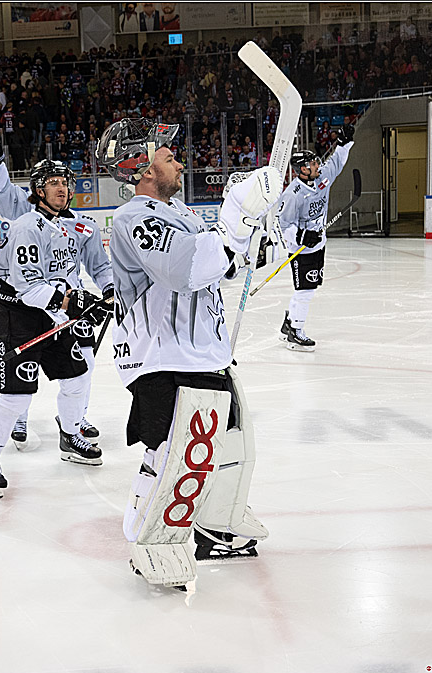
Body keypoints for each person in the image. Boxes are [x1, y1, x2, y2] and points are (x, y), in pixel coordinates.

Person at [96, 118, 280, 588]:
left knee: (233, 443)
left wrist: (249, 232)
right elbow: (184, 268)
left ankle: (217, 518)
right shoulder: (133, 218)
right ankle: (149, 538)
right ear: (139, 165)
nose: (176, 156)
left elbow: (225, 267)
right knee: (176, 452)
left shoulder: (187, 215)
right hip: (164, 359)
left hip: (205, 353)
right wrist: (235, 218)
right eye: (165, 151)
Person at [0, 156, 108, 498]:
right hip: (22, 317)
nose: (62, 188)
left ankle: (70, 434)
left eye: (65, 183)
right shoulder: (27, 227)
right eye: (53, 182)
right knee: (16, 398)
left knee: (78, 377)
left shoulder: (76, 226)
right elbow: (30, 287)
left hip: (59, 314)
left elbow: (94, 268)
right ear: (38, 190)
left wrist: (105, 295)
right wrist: (73, 303)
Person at [277, 124, 354, 351]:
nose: (317, 165)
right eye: (311, 164)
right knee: (305, 291)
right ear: (301, 169)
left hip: (319, 244)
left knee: (310, 287)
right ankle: (296, 331)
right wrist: (302, 236)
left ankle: (288, 324)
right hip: (301, 250)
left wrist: (344, 143)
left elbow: (337, 162)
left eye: (316, 161)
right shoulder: (292, 194)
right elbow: (283, 226)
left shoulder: (322, 178)